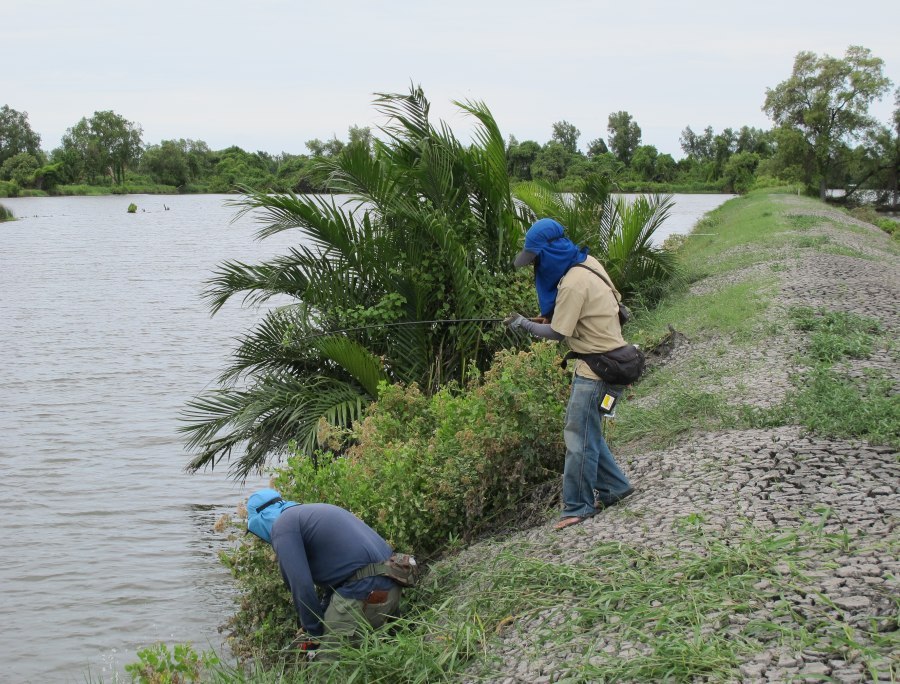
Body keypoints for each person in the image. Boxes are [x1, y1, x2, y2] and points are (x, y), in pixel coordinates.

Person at [505, 218, 634, 530]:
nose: (535, 266)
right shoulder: (588, 263)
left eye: (536, 259)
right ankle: (616, 488)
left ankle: (578, 507)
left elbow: (557, 333)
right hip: (613, 365)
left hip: (596, 372)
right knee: (588, 431)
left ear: (550, 252)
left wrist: (524, 324)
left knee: (578, 437)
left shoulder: (573, 283)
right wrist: (541, 317)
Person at [246, 488, 402, 657]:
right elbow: (341, 576)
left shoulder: (282, 526)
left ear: (260, 520)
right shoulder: (313, 512)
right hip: (393, 587)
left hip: (365, 591)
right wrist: (320, 616)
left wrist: (314, 635)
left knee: (325, 670)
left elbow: (301, 586)